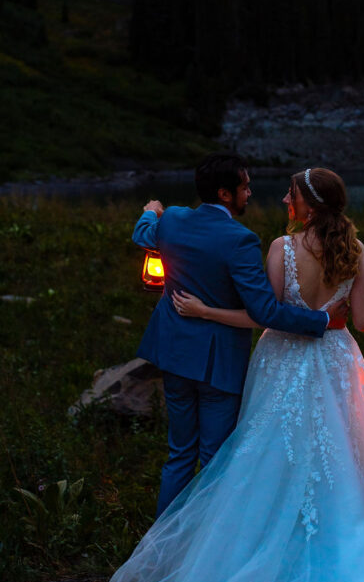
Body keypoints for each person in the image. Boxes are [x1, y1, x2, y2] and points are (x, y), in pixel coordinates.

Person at [98, 167, 364, 582]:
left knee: (263, 457)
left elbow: (261, 314)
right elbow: (360, 320)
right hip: (337, 362)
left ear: (307, 206)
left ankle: (207, 556)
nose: (283, 198)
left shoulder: (280, 249)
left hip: (282, 361)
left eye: (291, 194)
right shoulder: (355, 251)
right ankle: (343, 559)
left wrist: (205, 311)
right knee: (339, 464)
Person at [130, 153, 347, 517]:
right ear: (225, 194)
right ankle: (208, 547)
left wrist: (151, 210)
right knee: (215, 459)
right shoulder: (240, 240)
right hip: (218, 365)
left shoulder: (174, 221)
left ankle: (162, 545)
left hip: (174, 354)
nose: (250, 192)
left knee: (180, 453)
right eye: (245, 186)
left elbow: (142, 234)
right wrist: (321, 322)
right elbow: (264, 312)